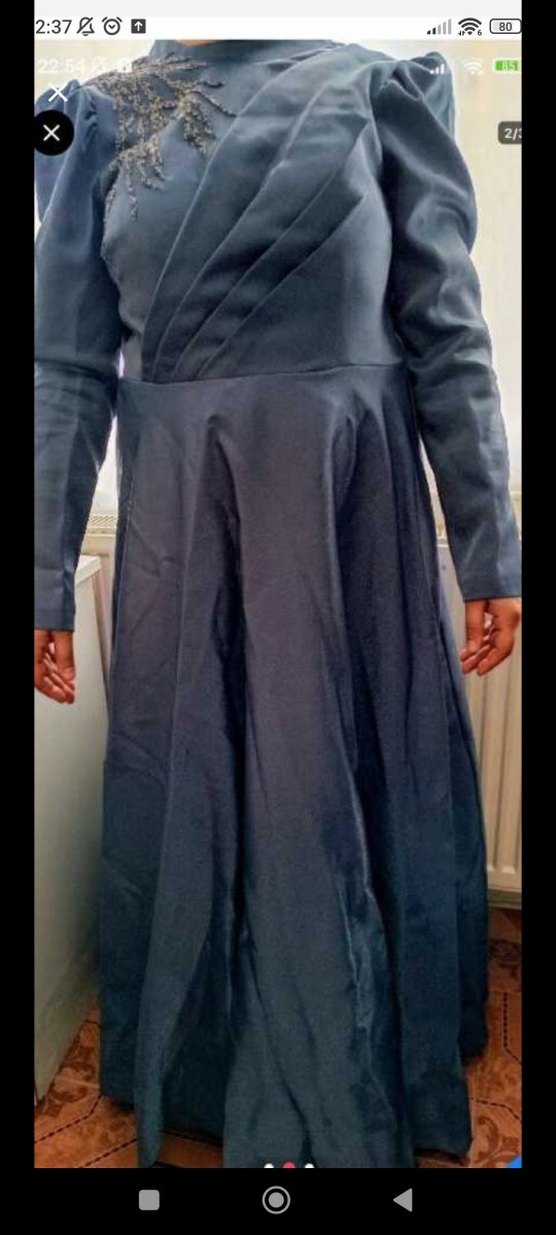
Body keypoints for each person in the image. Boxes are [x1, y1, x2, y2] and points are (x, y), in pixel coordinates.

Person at [34, 39, 522, 1168]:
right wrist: (45, 570)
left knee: (331, 769)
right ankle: (204, 1058)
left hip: (349, 519)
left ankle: (356, 1045)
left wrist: (491, 552)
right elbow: (63, 368)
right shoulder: (80, 118)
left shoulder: (387, 90)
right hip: (181, 525)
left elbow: (450, 336)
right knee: (189, 765)